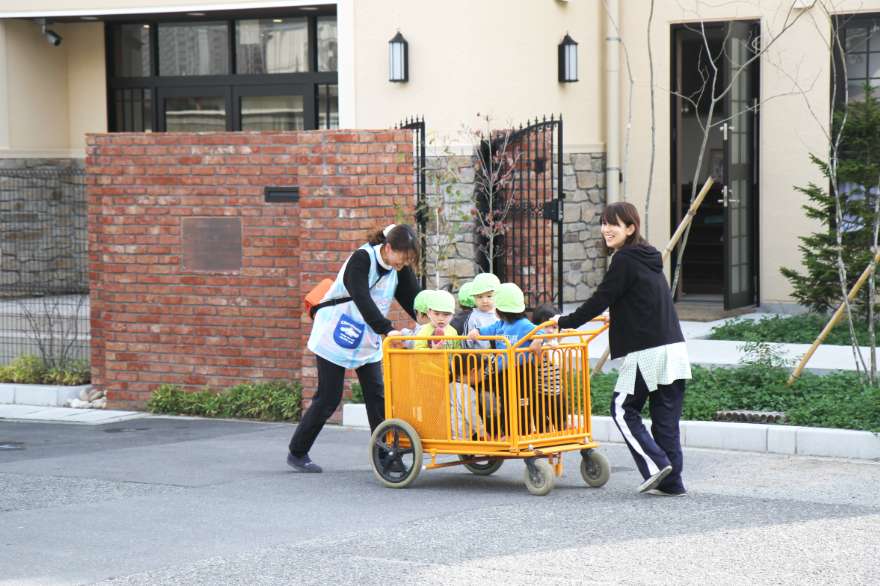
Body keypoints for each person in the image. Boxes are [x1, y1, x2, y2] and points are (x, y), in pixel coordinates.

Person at [553, 202, 691, 496]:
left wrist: (564, 323)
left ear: (630, 228)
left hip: (648, 351)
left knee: (622, 407)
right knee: (665, 419)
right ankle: (672, 483)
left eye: (613, 224)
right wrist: (617, 314)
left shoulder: (624, 259)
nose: (606, 229)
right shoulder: (647, 257)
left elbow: (600, 298)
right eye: (603, 223)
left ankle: (654, 467)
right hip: (674, 349)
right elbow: (639, 300)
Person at [287, 224, 421, 473]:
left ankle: (386, 456)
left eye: (409, 259)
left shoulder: (398, 269)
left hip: (366, 338)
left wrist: (431, 322)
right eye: (402, 257)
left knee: (378, 395)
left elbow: (415, 300)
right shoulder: (361, 260)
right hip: (336, 334)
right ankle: (298, 451)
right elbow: (362, 299)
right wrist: (387, 328)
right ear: (388, 247)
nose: (404, 263)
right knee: (329, 397)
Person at [467, 282, 542, 435]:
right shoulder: (501, 324)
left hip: (522, 372)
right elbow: (487, 330)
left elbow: (540, 333)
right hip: (503, 372)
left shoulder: (524, 324)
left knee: (521, 402)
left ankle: (521, 432)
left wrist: (537, 341)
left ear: (500, 310)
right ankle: (504, 431)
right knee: (502, 401)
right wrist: (476, 331)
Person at [413, 290, 486, 438]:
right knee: (431, 405)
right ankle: (430, 432)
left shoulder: (452, 331)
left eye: (446, 315)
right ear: (429, 312)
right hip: (428, 375)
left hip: (447, 374)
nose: (441, 318)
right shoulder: (423, 331)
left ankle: (446, 431)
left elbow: (457, 352)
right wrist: (432, 350)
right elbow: (417, 354)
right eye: (437, 313)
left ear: (452, 315)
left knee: (446, 405)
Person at [532, 303, 567, 432]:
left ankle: (559, 446)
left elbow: (561, 336)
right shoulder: (538, 344)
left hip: (558, 391)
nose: (551, 330)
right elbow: (536, 364)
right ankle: (545, 445)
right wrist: (543, 351)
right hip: (541, 392)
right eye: (546, 326)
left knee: (561, 420)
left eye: (554, 327)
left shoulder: (555, 342)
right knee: (542, 422)